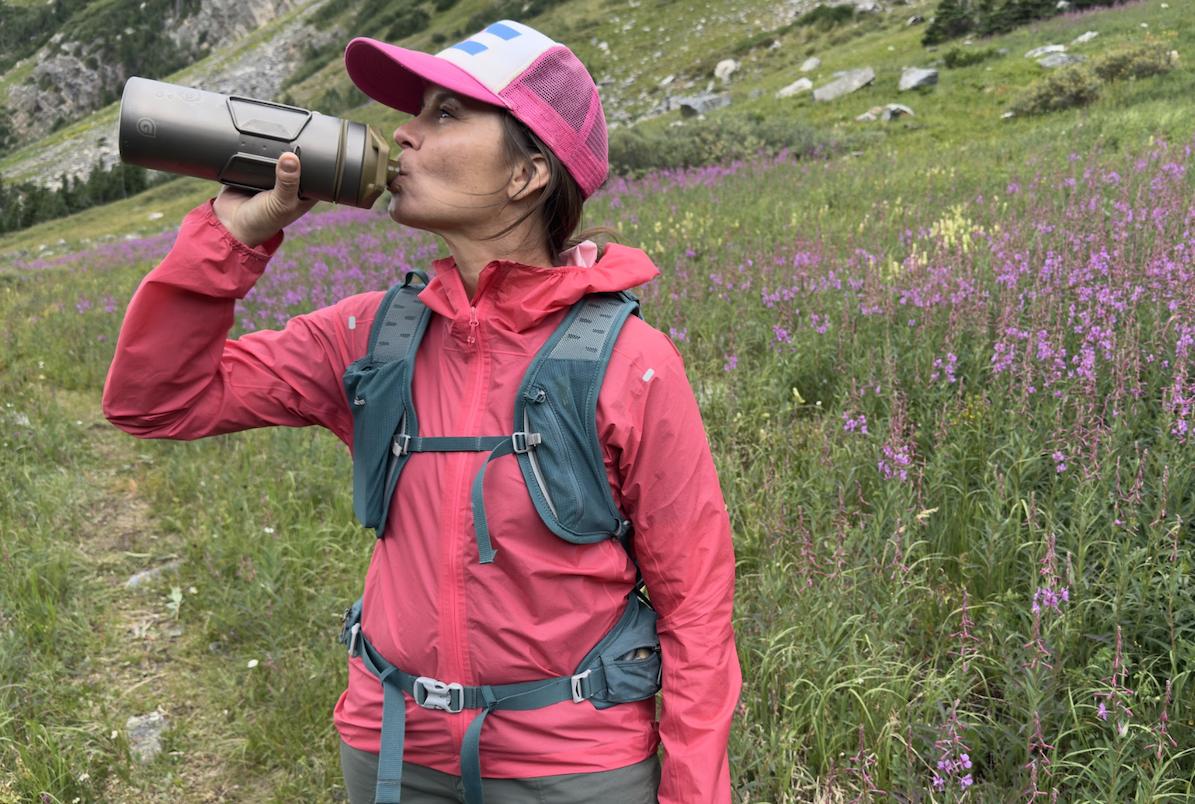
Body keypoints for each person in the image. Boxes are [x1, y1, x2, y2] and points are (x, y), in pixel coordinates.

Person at [103, 19, 740, 804]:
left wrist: (692, 790)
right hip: (392, 752)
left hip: (574, 765)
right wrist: (230, 237)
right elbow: (154, 402)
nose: (402, 134)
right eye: (415, 113)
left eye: (444, 114)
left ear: (527, 173)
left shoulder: (631, 363)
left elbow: (697, 607)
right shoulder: (370, 335)